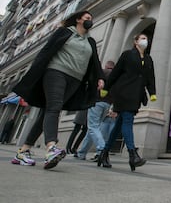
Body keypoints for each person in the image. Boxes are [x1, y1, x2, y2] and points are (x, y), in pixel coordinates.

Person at [11, 10, 105, 169]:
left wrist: (100, 78)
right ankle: (51, 148)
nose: (90, 21)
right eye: (87, 18)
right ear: (78, 20)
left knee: (48, 111)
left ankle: (23, 151)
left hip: (76, 79)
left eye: (91, 18)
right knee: (54, 107)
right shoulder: (64, 32)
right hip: (56, 72)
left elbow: (95, 61)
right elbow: (46, 51)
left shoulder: (90, 41)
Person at [97, 33, 156, 171]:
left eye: (146, 39)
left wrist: (152, 92)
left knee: (119, 125)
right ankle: (132, 154)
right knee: (128, 120)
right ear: (135, 42)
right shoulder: (127, 55)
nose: (145, 41)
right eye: (142, 38)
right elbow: (116, 72)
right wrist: (106, 88)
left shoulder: (148, 59)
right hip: (123, 92)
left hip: (136, 95)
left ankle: (104, 153)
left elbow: (150, 77)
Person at [76, 60, 115, 161]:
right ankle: (82, 153)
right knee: (93, 128)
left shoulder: (102, 73)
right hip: (107, 104)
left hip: (96, 102)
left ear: (106, 66)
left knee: (92, 126)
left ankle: (102, 149)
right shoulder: (115, 76)